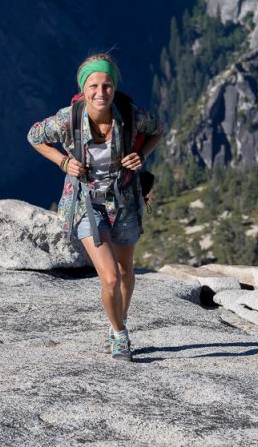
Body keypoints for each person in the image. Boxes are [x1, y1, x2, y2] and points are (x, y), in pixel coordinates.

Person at [27, 53, 164, 361]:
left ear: (114, 87)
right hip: (86, 205)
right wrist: (63, 161)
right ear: (83, 88)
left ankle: (119, 320)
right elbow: (34, 136)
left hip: (125, 201)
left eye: (107, 85)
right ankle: (119, 335)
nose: (100, 93)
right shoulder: (68, 119)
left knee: (127, 273)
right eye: (93, 86)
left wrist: (142, 153)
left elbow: (159, 129)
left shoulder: (129, 115)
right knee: (111, 277)